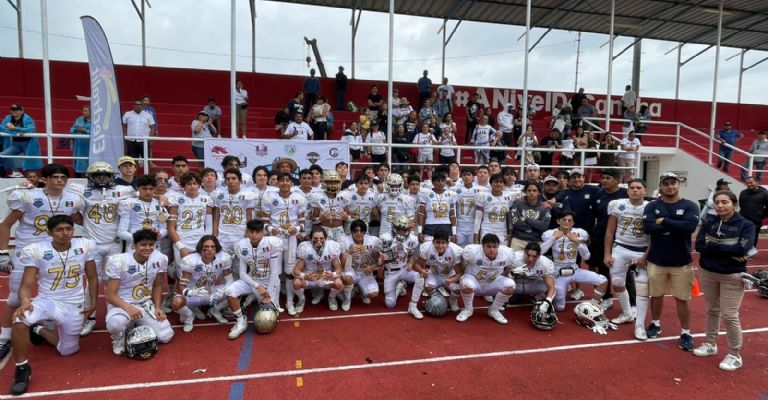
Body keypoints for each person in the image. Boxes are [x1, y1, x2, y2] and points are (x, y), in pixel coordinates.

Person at [0, 164, 84, 362]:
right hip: (27, 251)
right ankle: (4, 338)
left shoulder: (72, 199)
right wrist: (2, 252)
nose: (59, 181)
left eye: (63, 177)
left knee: (55, 293)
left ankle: (43, 327)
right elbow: (6, 224)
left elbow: (82, 220)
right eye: (55, 177)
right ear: (44, 179)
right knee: (15, 298)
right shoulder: (28, 195)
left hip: (55, 252)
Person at [8, 215, 97, 395]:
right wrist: (25, 301)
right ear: (49, 232)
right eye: (59, 230)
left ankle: (38, 330)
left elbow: (92, 277)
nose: (65, 233)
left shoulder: (85, 246)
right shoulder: (37, 250)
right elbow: (26, 285)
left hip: (73, 303)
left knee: (67, 351)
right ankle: (22, 369)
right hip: (47, 301)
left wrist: (93, 303)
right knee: (19, 319)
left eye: (69, 229)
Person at [70, 162, 134, 336]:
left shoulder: (123, 190)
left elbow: (142, 195)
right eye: (98, 175)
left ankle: (112, 316)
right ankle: (89, 317)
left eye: (105, 175)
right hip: (92, 244)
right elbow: (73, 211)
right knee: (92, 282)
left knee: (111, 281)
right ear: (90, 177)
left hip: (114, 243)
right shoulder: (82, 191)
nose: (102, 178)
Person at [693, 190, 755, 371]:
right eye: (717, 202)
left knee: (729, 315)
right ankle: (710, 343)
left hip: (732, 275)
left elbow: (742, 250)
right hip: (707, 272)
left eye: (725, 202)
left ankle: (735, 354)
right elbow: (699, 246)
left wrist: (712, 245)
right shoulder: (709, 222)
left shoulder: (746, 225)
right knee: (712, 310)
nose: (720, 205)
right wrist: (727, 249)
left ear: (734, 204)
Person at [642, 172, 699, 350]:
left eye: (673, 183)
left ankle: (686, 332)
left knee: (682, 299)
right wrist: (675, 225)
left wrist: (664, 221)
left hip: (681, 261)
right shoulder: (652, 205)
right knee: (656, 295)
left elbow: (689, 227)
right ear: (660, 186)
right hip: (656, 260)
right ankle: (655, 323)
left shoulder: (690, 205)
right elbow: (648, 227)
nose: (670, 186)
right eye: (665, 183)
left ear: (678, 185)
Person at [105, 229, 174, 356]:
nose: (147, 248)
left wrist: (158, 307)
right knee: (115, 324)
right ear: (134, 245)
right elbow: (110, 295)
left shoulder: (160, 258)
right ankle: (118, 338)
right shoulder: (119, 260)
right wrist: (129, 308)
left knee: (166, 336)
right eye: (143, 244)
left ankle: (135, 323)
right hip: (122, 304)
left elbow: (157, 285)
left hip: (144, 303)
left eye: (151, 244)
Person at [603, 179, 650, 338]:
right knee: (617, 282)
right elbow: (609, 232)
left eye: (639, 188)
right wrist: (607, 254)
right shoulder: (617, 204)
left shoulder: (651, 207)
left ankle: (640, 325)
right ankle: (627, 313)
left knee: (642, 288)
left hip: (641, 250)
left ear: (645, 191)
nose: (635, 190)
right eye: (632, 188)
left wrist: (647, 255)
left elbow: (653, 235)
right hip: (621, 247)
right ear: (627, 190)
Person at [225, 219, 283, 339]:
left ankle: (258, 301)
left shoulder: (271, 243)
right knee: (229, 291)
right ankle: (241, 321)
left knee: (267, 320)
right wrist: (257, 286)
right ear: (247, 232)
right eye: (251, 232)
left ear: (263, 233)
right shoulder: (242, 245)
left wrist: (269, 293)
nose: (254, 235)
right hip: (252, 281)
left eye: (257, 232)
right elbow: (242, 273)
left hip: (269, 282)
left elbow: (274, 272)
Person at [541, 210, 607, 312]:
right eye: (564, 220)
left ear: (573, 223)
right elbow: (540, 252)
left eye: (569, 220)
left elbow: (586, 257)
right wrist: (553, 238)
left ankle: (592, 306)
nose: (567, 222)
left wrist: (577, 242)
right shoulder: (551, 233)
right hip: (558, 273)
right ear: (558, 221)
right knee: (560, 307)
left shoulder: (579, 233)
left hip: (575, 270)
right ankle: (549, 294)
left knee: (603, 281)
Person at [262, 173, 307, 315]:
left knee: (289, 273)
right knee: (274, 273)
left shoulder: (299, 198)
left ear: (292, 184)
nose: (285, 183)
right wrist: (271, 229)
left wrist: (297, 229)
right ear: (278, 183)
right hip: (275, 239)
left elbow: (303, 222)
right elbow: (264, 221)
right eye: (282, 180)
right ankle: (275, 303)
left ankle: (289, 302)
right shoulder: (269, 197)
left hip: (291, 238)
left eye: (288, 180)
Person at [173, 236, 233, 332]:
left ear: (216, 248)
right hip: (194, 294)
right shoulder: (190, 261)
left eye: (212, 246)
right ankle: (189, 316)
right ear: (201, 248)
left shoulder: (223, 258)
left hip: (212, 292)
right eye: (206, 246)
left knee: (234, 291)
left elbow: (230, 280)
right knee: (176, 303)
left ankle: (215, 310)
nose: (209, 249)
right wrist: (191, 292)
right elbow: (181, 286)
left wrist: (222, 291)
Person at [589, 169, 629, 310]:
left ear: (616, 180)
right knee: (603, 268)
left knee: (624, 272)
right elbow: (592, 216)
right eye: (603, 178)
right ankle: (606, 297)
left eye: (608, 178)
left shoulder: (626, 194)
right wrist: (591, 234)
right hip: (601, 236)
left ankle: (632, 303)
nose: (604, 180)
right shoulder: (598, 195)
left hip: (621, 238)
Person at [454, 234, 516, 324]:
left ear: (498, 246)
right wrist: (463, 274)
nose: (492, 249)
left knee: (510, 285)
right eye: (489, 246)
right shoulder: (473, 252)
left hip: (492, 283)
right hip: (475, 282)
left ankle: (494, 310)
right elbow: (461, 260)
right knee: (466, 283)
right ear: (483, 246)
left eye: (494, 247)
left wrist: (506, 273)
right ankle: (468, 309)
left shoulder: (507, 254)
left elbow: (510, 267)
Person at [292, 226, 344, 312]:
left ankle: (332, 297)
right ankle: (301, 299)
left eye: (321, 238)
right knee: (296, 283)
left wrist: (332, 274)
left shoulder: (332, 247)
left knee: (339, 284)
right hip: (311, 278)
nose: (318, 241)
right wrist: (304, 276)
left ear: (326, 238)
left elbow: (339, 269)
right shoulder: (304, 247)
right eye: (315, 238)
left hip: (326, 278)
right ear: (310, 238)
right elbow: (296, 270)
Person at [412, 231, 463, 316]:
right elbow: (416, 265)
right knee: (427, 287)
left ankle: (452, 299)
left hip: (449, 275)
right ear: (433, 242)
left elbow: (460, 273)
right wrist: (422, 271)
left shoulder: (455, 250)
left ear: (448, 243)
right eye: (437, 242)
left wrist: (453, 280)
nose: (440, 245)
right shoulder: (427, 248)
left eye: (443, 243)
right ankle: (436, 297)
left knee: (459, 288)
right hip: (434, 274)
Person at [167, 172, 214, 263]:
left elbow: (209, 226)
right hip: (182, 240)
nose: (192, 186)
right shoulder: (176, 199)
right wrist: (180, 247)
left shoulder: (206, 199)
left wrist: (205, 243)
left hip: (200, 240)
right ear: (183, 186)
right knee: (183, 269)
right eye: (189, 184)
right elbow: (171, 228)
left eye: (194, 183)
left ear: (199, 185)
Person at [341, 220, 382, 306]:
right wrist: (350, 252)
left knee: (373, 294)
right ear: (351, 232)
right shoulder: (344, 241)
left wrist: (372, 267)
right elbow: (343, 264)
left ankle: (362, 291)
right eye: (356, 231)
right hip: (350, 271)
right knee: (347, 278)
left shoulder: (373, 240)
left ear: (365, 231)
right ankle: (347, 299)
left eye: (361, 231)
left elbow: (381, 260)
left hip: (365, 273)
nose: (359, 233)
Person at [1, 104, 42, 177]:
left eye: (16, 110)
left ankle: (32, 177)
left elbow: (31, 129)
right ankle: (16, 172)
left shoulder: (27, 118)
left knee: (31, 160)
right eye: (12, 110)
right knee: (4, 155)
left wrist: (15, 128)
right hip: (15, 144)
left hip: (28, 143)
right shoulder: (8, 118)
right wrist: (17, 131)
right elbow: (2, 128)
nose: (14, 111)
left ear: (22, 111)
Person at [508, 182, 551, 250]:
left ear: (539, 193)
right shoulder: (517, 203)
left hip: (536, 241)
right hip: (518, 239)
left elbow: (544, 226)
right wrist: (536, 225)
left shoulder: (544, 207)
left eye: (534, 190)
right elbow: (516, 223)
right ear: (525, 192)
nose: (531, 193)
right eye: (529, 190)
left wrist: (526, 219)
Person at [738, 176, 768, 248]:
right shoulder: (743, 192)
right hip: (743, 220)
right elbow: (741, 205)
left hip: (756, 221)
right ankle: (741, 250)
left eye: (751, 182)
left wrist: (761, 215)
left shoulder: (765, 193)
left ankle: (751, 250)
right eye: (747, 183)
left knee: (753, 238)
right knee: (741, 237)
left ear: (757, 182)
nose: (749, 184)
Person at [69, 105, 91, 176]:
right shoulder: (79, 119)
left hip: (88, 146)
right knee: (77, 161)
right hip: (78, 145)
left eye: (85, 111)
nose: (83, 112)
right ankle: (77, 177)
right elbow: (71, 129)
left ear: (90, 112)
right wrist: (76, 129)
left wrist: (85, 130)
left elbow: (96, 132)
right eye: (83, 111)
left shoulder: (95, 121)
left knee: (87, 162)